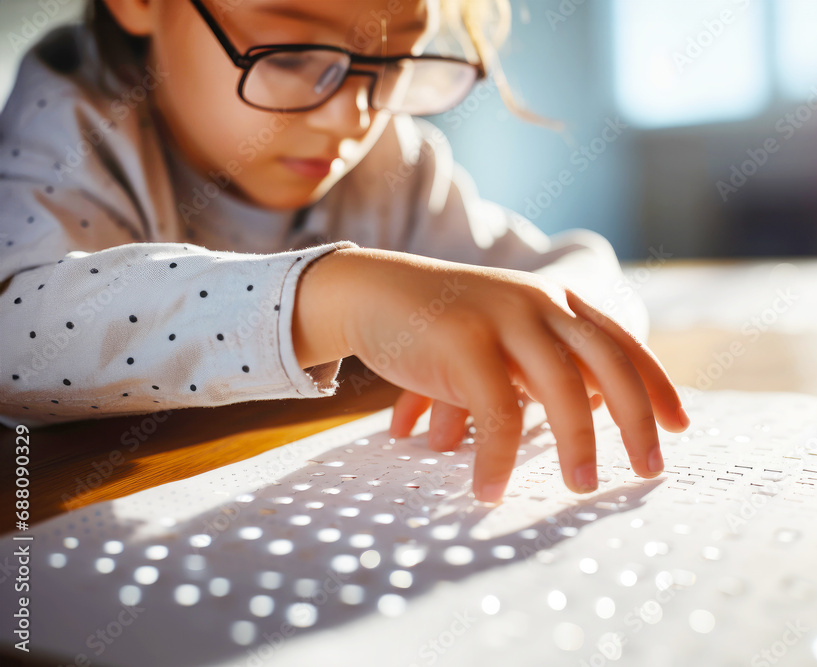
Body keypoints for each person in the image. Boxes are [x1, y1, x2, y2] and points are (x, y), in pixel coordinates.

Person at [0, 0, 689, 503]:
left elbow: (570, 270)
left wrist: (561, 325)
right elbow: (15, 338)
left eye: (392, 62)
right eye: (294, 54)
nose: (352, 118)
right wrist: (340, 296)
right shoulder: (70, 120)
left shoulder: (391, 155)